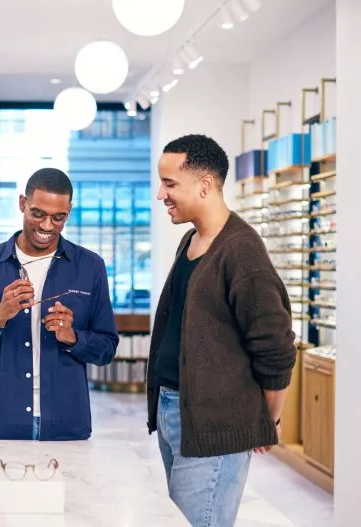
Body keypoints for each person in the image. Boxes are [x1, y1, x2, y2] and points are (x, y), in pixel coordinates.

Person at [148, 134, 296, 526]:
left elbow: (276, 346)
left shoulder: (241, 250)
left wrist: (268, 419)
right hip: (174, 409)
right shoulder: (192, 240)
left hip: (215, 420)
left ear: (205, 185)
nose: (161, 193)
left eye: (170, 183)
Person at [0, 168, 119, 441]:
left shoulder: (90, 267)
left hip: (66, 424)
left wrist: (73, 337)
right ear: (22, 204)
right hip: (2, 423)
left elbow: (106, 349)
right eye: (37, 214)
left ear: (69, 211)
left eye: (58, 218)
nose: (47, 226)